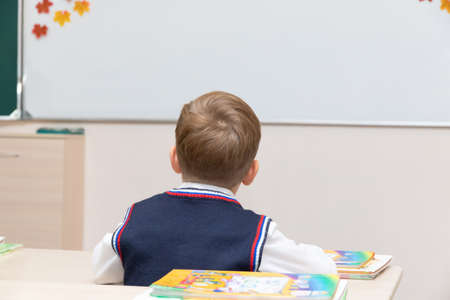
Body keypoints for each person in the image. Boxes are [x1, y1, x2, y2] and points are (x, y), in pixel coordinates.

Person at [92, 91, 336, 286]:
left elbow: (101, 270)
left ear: (174, 158)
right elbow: (323, 269)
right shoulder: (257, 236)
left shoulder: (136, 217)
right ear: (251, 172)